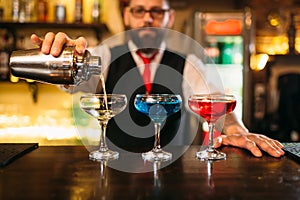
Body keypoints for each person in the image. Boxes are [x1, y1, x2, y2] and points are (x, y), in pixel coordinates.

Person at [30, 0, 284, 157]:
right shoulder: (104, 55)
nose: (148, 18)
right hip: (117, 171)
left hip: (176, 173)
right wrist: (63, 60)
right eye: (139, 10)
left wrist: (235, 128)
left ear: (169, 17)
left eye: (156, 11)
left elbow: (216, 99)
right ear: (126, 15)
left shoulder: (188, 63)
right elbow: (73, 81)